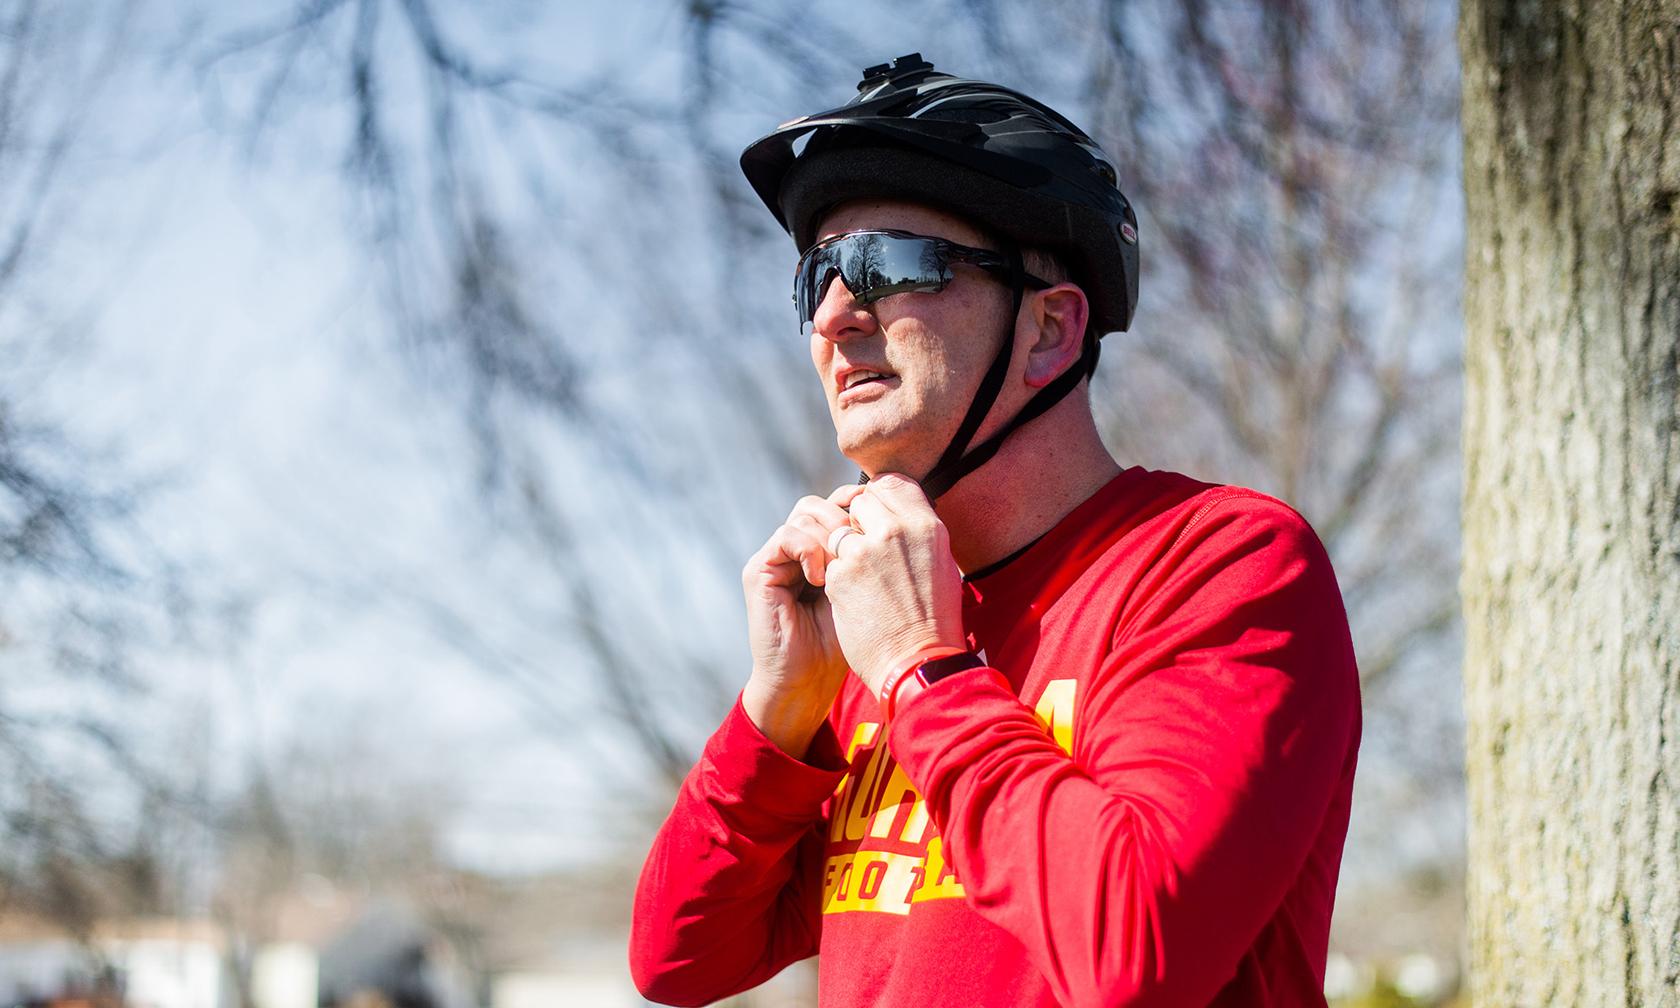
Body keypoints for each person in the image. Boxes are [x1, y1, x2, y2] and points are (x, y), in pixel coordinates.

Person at [630, 54, 1361, 1007]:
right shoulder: (872, 632)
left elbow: (1132, 949)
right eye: (817, 277)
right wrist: (778, 712)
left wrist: (924, 672)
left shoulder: (1223, 561)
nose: (837, 315)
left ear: (1052, 332)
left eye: (888, 264)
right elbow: (679, 956)